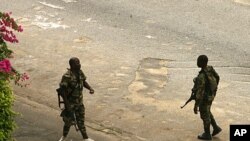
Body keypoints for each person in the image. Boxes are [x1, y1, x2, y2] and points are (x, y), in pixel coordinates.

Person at [58, 57, 95, 141]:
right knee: (68, 121)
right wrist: (67, 105)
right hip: (70, 103)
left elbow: (83, 82)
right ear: (72, 65)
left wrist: (90, 88)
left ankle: (85, 137)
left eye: (79, 62)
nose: (79, 64)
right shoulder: (67, 76)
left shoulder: (80, 72)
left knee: (81, 120)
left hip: (79, 102)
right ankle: (64, 136)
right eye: (77, 63)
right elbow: (62, 91)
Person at [193, 55, 222, 140]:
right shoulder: (210, 68)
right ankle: (216, 127)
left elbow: (200, 93)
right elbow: (217, 77)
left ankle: (207, 133)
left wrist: (196, 105)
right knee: (207, 111)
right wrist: (213, 89)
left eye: (198, 61)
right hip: (211, 95)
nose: (197, 62)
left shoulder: (202, 76)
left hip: (205, 97)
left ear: (201, 63)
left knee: (204, 114)